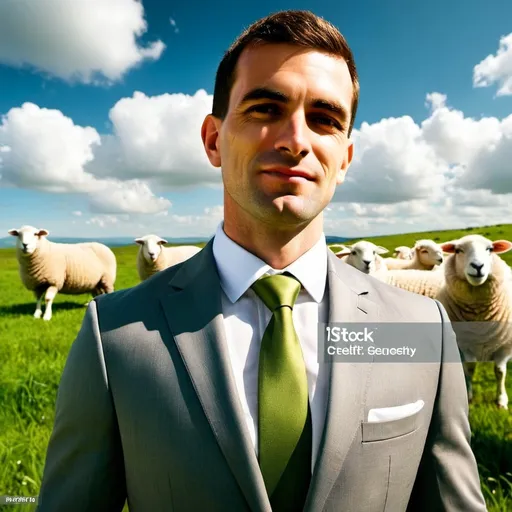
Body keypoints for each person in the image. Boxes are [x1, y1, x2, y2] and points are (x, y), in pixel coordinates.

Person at [36, 9, 487, 512]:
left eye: (324, 119)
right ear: (213, 140)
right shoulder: (117, 336)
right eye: (265, 109)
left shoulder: (417, 327)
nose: (296, 139)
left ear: (345, 158)